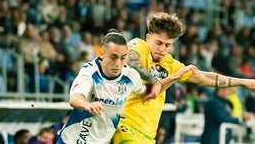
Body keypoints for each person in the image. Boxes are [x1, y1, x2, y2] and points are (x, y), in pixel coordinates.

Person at [112, 12, 255, 144]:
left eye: (167, 45)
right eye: (159, 43)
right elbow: (131, 59)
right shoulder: (139, 45)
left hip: (148, 135)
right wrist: (153, 80)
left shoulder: (170, 63)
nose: (162, 49)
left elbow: (205, 77)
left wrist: (244, 82)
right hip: (125, 126)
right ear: (148, 37)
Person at [57, 29, 161, 144]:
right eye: (113, 57)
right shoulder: (90, 71)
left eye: (122, 58)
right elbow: (75, 98)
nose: (118, 63)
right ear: (101, 54)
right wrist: (87, 104)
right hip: (72, 140)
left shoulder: (131, 77)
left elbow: (148, 91)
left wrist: (170, 79)